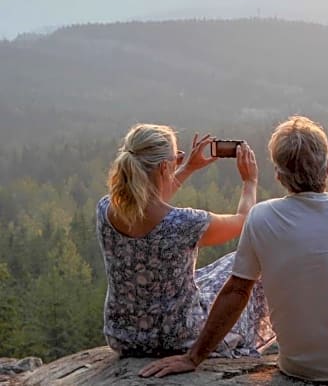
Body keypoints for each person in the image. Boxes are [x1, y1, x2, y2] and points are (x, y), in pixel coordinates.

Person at [140, 116, 328, 384]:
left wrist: (193, 358)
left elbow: (236, 291)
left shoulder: (261, 217)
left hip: (298, 366)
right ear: (327, 168)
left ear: (279, 176)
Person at [97, 124, 274, 357]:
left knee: (207, 277)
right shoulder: (185, 223)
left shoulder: (106, 209)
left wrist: (188, 167)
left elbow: (146, 200)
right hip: (179, 336)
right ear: (164, 167)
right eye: (176, 158)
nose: (179, 160)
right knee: (246, 264)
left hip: (123, 336)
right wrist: (250, 181)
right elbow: (243, 221)